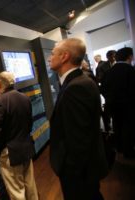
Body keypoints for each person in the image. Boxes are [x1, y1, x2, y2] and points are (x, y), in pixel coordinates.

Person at [48, 38, 108, 200]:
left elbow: (79, 140)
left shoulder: (75, 87)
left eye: (52, 54)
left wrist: (69, 172)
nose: (49, 58)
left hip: (79, 174)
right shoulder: (79, 81)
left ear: (64, 56)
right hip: (86, 170)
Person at [0, 71, 38, 200]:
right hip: (26, 147)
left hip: (9, 153)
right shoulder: (24, 98)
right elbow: (29, 124)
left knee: (17, 191)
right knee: (30, 185)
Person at [101, 47, 135, 158]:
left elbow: (103, 89)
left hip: (112, 105)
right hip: (128, 106)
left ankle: (119, 148)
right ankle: (128, 151)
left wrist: (110, 99)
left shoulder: (109, 72)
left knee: (117, 125)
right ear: (130, 56)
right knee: (128, 127)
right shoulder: (130, 70)